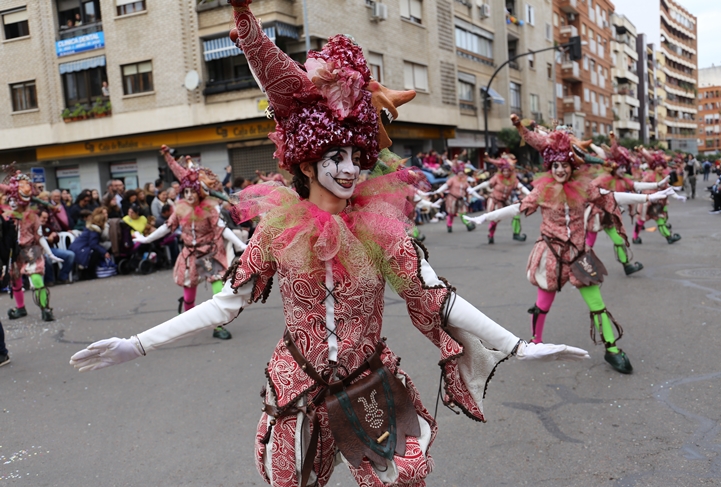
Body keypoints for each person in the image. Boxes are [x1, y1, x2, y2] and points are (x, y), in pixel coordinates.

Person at [70, 10, 588, 487]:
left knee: (405, 476)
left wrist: (521, 346)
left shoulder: (383, 232)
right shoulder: (277, 229)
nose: (347, 169)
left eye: (357, 156)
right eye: (334, 155)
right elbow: (226, 303)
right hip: (296, 383)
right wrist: (134, 345)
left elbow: (437, 298)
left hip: (368, 386)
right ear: (306, 157)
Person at [467, 115, 677, 374]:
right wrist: (484, 217)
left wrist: (651, 195)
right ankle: (535, 342)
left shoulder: (585, 187)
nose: (559, 170)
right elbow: (516, 208)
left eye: (564, 164)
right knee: (543, 304)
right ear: (549, 166)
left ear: (571, 165)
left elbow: (611, 196)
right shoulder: (542, 191)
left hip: (579, 255)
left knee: (597, 304)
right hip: (551, 253)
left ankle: (612, 349)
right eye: (554, 165)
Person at [132, 145, 246, 340]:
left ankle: (218, 326)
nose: (189, 196)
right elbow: (166, 228)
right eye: (185, 193)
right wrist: (145, 239)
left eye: (192, 192)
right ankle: (186, 322)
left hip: (209, 254)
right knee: (188, 296)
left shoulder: (210, 209)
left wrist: (241, 245)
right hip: (189, 255)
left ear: (199, 193)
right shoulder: (180, 209)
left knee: (218, 291)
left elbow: (222, 229)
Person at [585, 133, 670, 276]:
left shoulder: (622, 179)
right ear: (612, 167)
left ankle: (627, 265)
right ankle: (583, 267)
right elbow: (588, 192)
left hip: (610, 217)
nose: (624, 171)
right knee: (589, 243)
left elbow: (635, 185)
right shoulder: (601, 179)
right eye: (621, 167)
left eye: (625, 167)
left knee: (619, 240)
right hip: (596, 215)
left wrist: (657, 184)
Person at [1, 170, 61, 322]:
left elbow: (39, 236)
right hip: (12, 252)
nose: (12, 203)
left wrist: (50, 253)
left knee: (36, 278)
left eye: (15, 200)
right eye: (10, 200)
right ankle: (20, 307)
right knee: (15, 279)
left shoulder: (32, 216)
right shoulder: (6, 216)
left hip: (30, 250)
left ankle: (45, 308)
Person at [468, 153, 529, 244]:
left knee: (516, 214)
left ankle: (516, 234)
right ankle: (491, 235)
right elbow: (486, 184)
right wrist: (473, 189)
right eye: (504, 171)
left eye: (508, 171)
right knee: (494, 218)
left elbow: (521, 187)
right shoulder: (497, 177)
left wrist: (531, 194)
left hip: (505, 201)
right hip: (494, 200)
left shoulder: (513, 179)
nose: (506, 173)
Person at [633, 147, 683, 245]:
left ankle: (669, 237)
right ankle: (635, 237)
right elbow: (641, 186)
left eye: (661, 166)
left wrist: (676, 195)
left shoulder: (664, 177)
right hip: (646, 204)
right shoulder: (649, 176)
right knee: (640, 222)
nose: (660, 168)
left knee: (660, 220)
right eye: (658, 166)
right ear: (654, 167)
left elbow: (667, 188)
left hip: (657, 204)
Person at [434, 162, 476, 233]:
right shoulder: (452, 179)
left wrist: (468, 198)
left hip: (461, 200)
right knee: (451, 213)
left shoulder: (464, 181)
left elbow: (468, 190)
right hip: (452, 199)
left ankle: (468, 225)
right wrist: (437, 191)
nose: (461, 173)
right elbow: (446, 186)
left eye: (462, 171)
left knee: (463, 213)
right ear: (457, 172)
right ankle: (449, 226)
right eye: (459, 171)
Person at [69, 208, 110, 281]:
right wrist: (104, 252)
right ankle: (90, 273)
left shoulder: (90, 228)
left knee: (96, 251)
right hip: (80, 250)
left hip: (77, 247)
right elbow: (93, 244)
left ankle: (88, 273)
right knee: (96, 253)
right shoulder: (94, 231)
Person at [39, 209, 75, 285]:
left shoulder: (47, 227)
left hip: (51, 249)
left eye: (46, 218)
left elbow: (56, 237)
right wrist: (47, 238)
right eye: (43, 218)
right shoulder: (34, 227)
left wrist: (53, 238)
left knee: (70, 255)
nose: (45, 220)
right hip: (39, 251)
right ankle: (49, 280)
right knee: (47, 258)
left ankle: (63, 277)